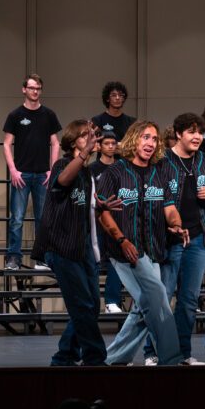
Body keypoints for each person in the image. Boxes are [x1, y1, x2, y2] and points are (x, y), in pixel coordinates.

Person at [97, 120, 187, 366]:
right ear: (134, 139)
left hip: (153, 250)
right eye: (145, 137)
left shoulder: (160, 173)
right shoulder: (114, 173)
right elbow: (102, 212)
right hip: (124, 249)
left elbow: (170, 208)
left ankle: (113, 359)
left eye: (154, 139)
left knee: (145, 306)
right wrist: (122, 239)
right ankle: (171, 358)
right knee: (157, 296)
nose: (150, 143)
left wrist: (176, 223)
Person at [32, 120, 108, 366]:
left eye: (93, 135)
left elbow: (82, 207)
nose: (92, 139)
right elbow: (64, 181)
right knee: (82, 305)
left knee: (91, 305)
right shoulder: (63, 164)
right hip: (62, 245)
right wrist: (86, 153)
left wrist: (100, 206)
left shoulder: (87, 172)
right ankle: (95, 358)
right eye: (85, 135)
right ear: (74, 141)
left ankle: (65, 355)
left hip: (83, 245)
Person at [163, 113, 205, 365]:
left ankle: (183, 353)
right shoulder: (162, 161)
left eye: (200, 133)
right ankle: (155, 353)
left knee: (188, 301)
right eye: (191, 132)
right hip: (168, 239)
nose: (197, 137)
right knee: (161, 300)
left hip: (198, 238)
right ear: (178, 133)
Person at [2, 73, 61, 270]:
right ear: (24, 89)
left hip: (43, 175)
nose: (35, 91)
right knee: (17, 218)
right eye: (31, 88)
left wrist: (53, 170)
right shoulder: (15, 115)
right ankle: (14, 257)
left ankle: (41, 258)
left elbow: (55, 143)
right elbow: (7, 144)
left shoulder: (49, 115)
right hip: (22, 174)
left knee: (43, 219)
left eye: (38, 88)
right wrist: (13, 170)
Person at [88, 131, 125, 314]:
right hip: (96, 223)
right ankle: (93, 302)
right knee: (93, 264)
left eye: (113, 143)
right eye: (107, 143)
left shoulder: (121, 167)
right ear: (100, 146)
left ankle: (112, 301)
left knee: (116, 262)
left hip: (115, 222)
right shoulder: (92, 168)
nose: (110, 146)